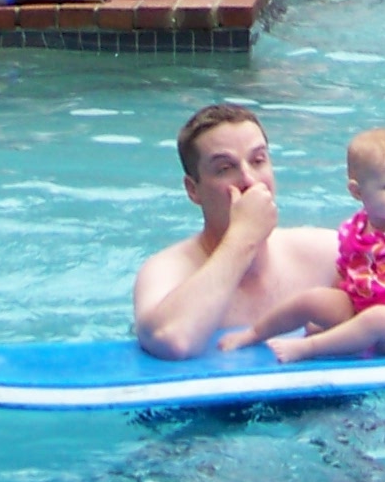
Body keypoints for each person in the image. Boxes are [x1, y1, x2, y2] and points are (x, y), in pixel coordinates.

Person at [231, 127, 385, 362]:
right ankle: (254, 334)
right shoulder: (353, 229)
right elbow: (344, 274)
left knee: (378, 318)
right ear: (357, 192)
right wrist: (327, 311)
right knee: (313, 298)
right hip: (360, 308)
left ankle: (307, 348)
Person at [133, 103, 339, 360]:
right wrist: (244, 236)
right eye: (225, 169)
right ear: (193, 190)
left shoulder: (328, 255)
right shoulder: (166, 270)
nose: (249, 180)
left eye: (258, 161)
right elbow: (173, 340)